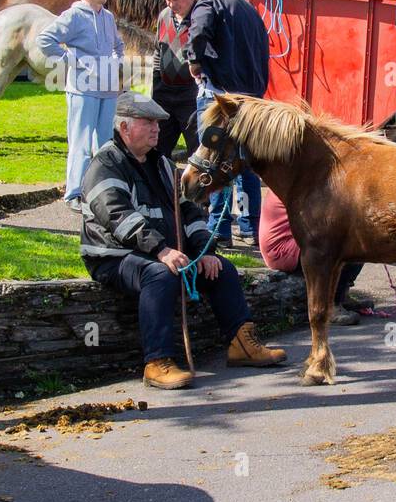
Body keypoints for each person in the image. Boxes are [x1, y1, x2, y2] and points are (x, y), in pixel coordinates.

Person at [81, 93, 286, 390]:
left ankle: (241, 345)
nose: (156, 129)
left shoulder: (162, 164)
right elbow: (117, 217)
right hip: (115, 256)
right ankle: (157, 362)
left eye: (158, 123)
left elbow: (188, 211)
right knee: (160, 276)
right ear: (124, 128)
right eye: (148, 122)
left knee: (222, 270)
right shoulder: (105, 164)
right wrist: (162, 250)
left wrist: (203, 250)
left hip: (160, 252)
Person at [184, 0, 269, 246]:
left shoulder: (210, 2)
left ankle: (218, 229)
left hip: (219, 98)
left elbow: (198, 33)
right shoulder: (251, 12)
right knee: (244, 164)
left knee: (215, 158)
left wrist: (194, 63)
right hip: (251, 102)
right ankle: (249, 227)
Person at [37, 0, 124, 209]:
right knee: (81, 141)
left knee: (106, 142)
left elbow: (118, 44)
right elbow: (45, 40)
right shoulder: (73, 15)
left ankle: (102, 189)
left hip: (107, 89)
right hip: (82, 88)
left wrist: (117, 62)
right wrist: (70, 60)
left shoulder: (107, 16)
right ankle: (73, 193)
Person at [258, 190, 374, 327]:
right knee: (342, 244)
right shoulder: (298, 180)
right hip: (281, 248)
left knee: (360, 238)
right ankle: (331, 306)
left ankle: (342, 295)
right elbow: (325, 217)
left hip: (294, 241)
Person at [152, 0, 200, 158]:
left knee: (196, 151)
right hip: (165, 94)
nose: (171, 4)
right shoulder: (164, 15)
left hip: (190, 96)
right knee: (158, 149)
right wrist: (156, 86)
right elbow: (158, 50)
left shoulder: (200, 17)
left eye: (176, 0)